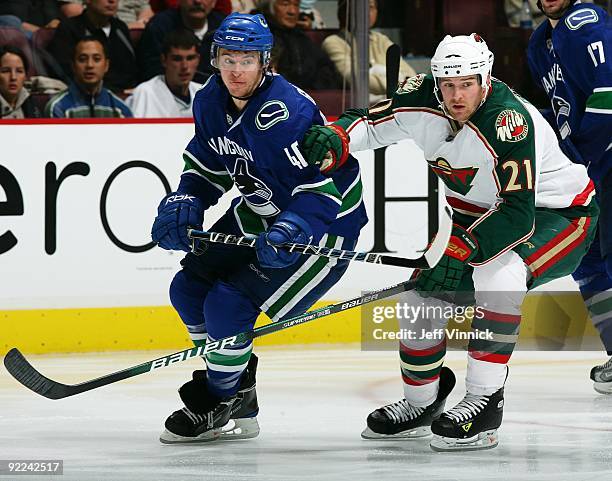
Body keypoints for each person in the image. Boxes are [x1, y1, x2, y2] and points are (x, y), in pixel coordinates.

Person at [300, 33, 598, 451]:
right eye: (448, 85)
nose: (457, 95)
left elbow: (516, 214)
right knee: (422, 299)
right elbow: (368, 122)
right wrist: (340, 137)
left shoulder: (507, 121)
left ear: (485, 78)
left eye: (467, 84)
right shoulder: (421, 95)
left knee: (499, 278)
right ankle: (422, 402)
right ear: (436, 81)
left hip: (559, 215)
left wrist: (460, 254)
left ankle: (484, 401)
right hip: (474, 216)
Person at [150, 12, 367, 444]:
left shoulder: (286, 113)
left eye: (246, 60)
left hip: (323, 226)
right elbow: (208, 166)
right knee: (188, 289)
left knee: (229, 303)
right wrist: (187, 197)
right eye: (227, 58)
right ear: (214, 58)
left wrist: (292, 229)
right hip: (261, 208)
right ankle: (236, 385)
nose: (235, 70)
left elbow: (322, 195)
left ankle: (217, 399)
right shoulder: (210, 100)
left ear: (265, 62)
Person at [527, 0, 612, 394]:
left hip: (606, 163)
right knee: (590, 260)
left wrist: (584, 156)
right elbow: (563, 111)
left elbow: (608, 95)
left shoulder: (586, 23)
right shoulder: (539, 43)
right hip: (589, 171)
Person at [322, 0, 416, 103]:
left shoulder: (382, 39)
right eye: (361, 7)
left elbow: (410, 75)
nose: (366, 12)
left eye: (371, 7)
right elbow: (355, 79)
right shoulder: (333, 42)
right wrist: (398, 85)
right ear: (345, 11)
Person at [49, 0, 138, 93]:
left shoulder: (120, 27)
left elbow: (131, 70)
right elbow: (65, 74)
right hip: (86, 97)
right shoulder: (69, 29)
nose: (112, 1)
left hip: (127, 94)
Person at [257, 0, 341, 90]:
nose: (292, 11)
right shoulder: (259, 37)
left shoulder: (303, 39)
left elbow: (326, 71)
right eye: (285, 4)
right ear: (270, 8)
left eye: (296, 5)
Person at [137, 0, 225, 83]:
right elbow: (151, 71)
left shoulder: (225, 27)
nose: (197, 1)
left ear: (214, 2)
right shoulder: (160, 26)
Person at [45, 36, 132, 117]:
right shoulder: (57, 107)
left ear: (106, 65)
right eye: (82, 59)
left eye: (96, 59)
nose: (89, 65)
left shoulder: (120, 109)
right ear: (73, 66)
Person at [128, 29, 202, 117]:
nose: (184, 66)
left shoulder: (206, 93)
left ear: (198, 60)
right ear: (164, 60)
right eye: (177, 59)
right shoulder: (145, 93)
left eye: (190, 58)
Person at [0, 45, 42, 118]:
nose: (13, 77)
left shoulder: (32, 104)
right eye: (6, 71)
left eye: (19, 71)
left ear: (25, 76)